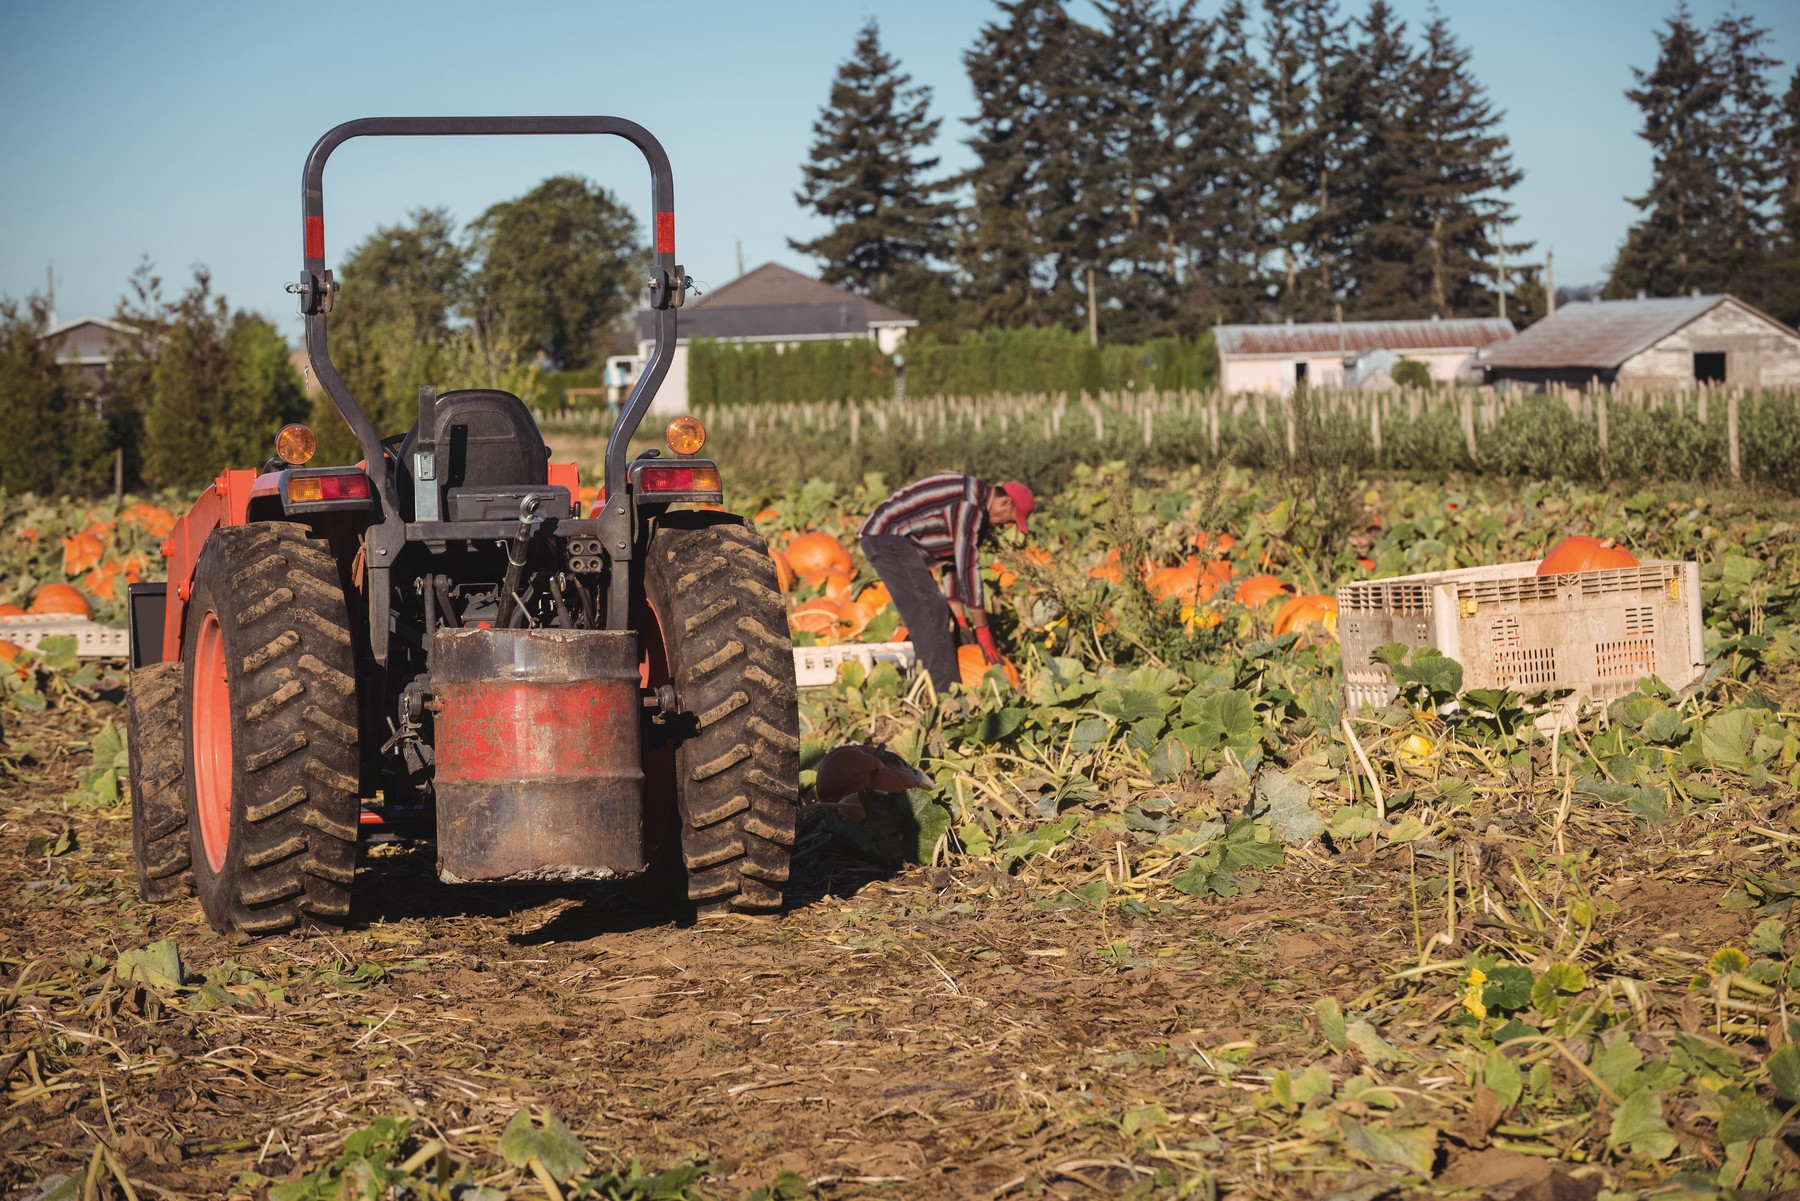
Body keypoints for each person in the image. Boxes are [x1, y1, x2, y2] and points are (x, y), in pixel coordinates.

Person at [857, 473, 1034, 694]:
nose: (1007, 526)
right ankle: (946, 695)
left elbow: (951, 566)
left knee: (933, 608)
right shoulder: (971, 505)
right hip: (886, 535)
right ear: (1006, 502)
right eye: (1010, 519)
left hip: (892, 539)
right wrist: (983, 631)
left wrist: (961, 621)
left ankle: (930, 684)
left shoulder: (974, 503)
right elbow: (967, 566)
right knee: (929, 607)